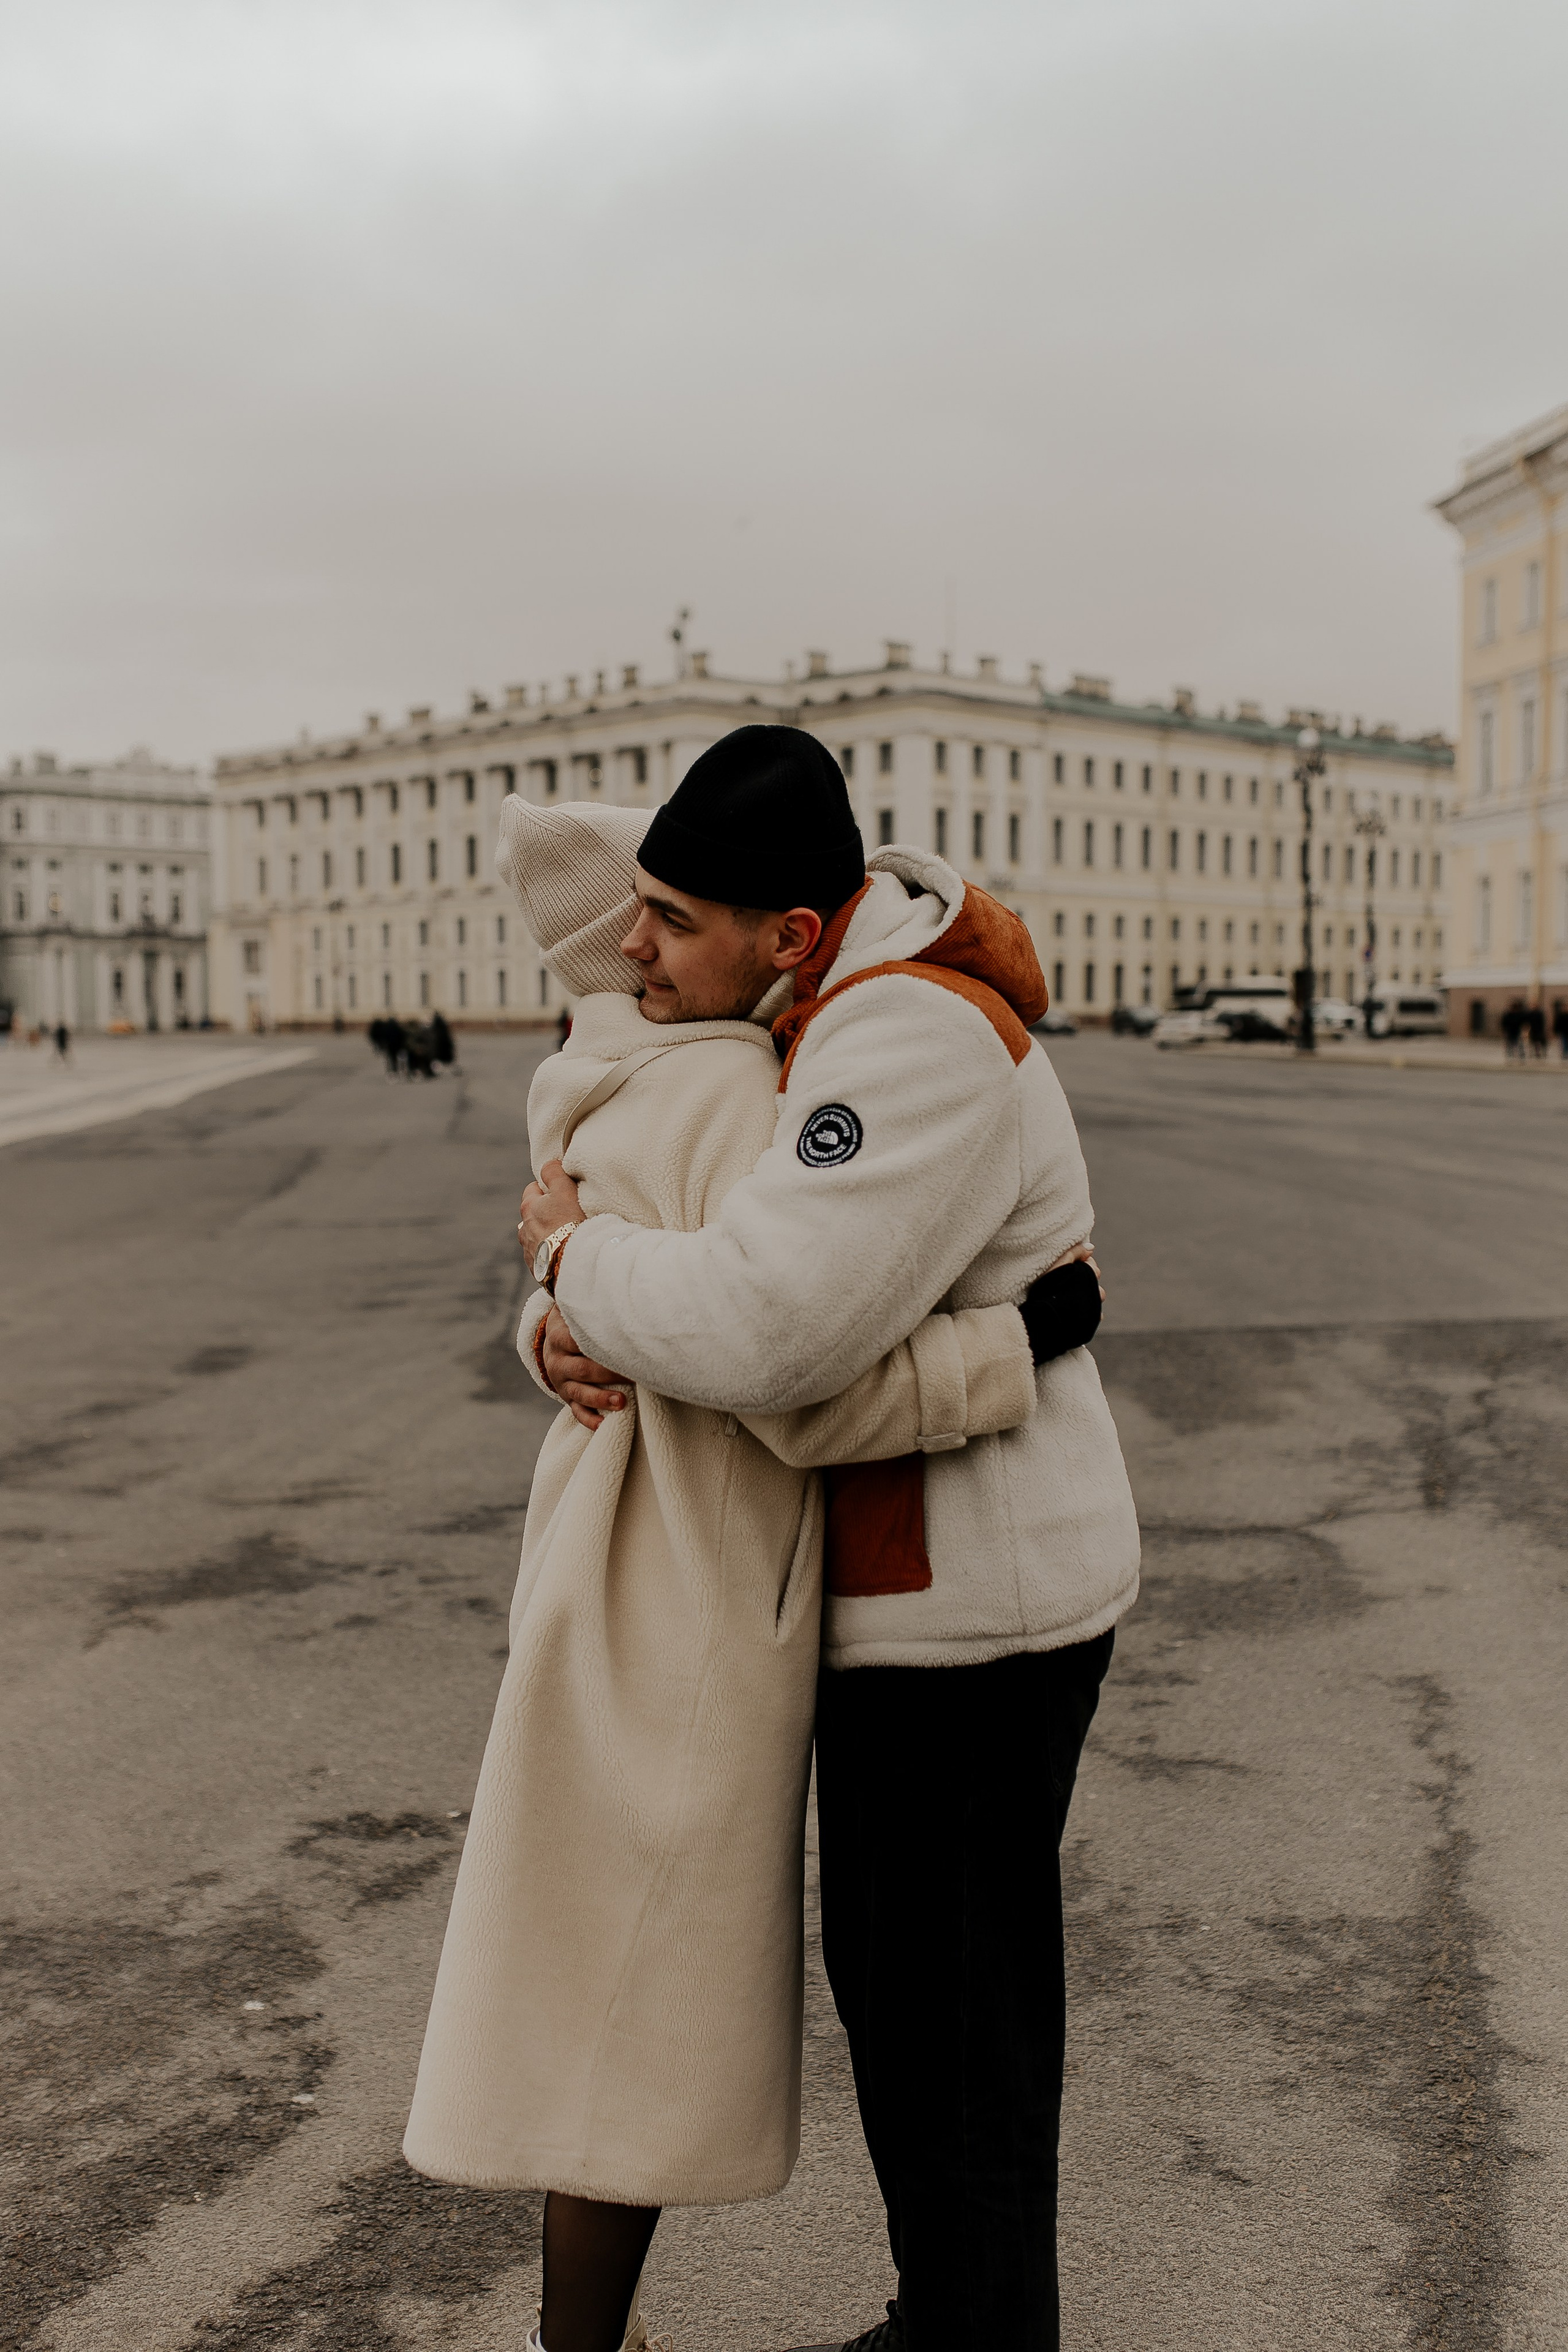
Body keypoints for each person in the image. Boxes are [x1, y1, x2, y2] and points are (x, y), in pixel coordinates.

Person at [405, 799, 1080, 2352]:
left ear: (776, 932)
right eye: (636, 914)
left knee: (898, 2009)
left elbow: (716, 1328)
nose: (643, 939)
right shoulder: (729, 1076)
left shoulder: (706, 1061)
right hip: (697, 1581)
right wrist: (1014, 1341)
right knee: (863, 2005)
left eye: (674, 912)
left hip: (660, 1572)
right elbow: (767, 1371)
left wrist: (563, 1301)